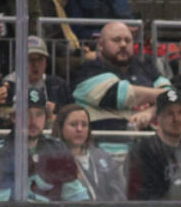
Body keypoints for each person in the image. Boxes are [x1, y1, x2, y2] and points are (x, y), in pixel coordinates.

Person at [71, 21, 170, 152]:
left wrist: (149, 112)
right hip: (104, 152)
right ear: (100, 45)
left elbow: (174, 97)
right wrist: (163, 97)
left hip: (148, 152)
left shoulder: (145, 65)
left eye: (128, 40)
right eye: (116, 40)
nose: (123, 44)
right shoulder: (88, 71)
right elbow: (121, 95)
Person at [0, 85, 89, 201]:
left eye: (39, 114)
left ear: (46, 117)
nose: (33, 121)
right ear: (13, 117)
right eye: (26, 113)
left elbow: (77, 197)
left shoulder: (58, 150)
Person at [124, 88, 181, 201]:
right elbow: (143, 196)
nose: (176, 119)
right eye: (169, 113)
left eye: (180, 112)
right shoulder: (143, 151)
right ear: (158, 117)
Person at [54, 102, 125, 201]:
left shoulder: (102, 156)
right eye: (73, 124)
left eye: (84, 125)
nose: (79, 129)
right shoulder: (53, 159)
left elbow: (119, 192)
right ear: (61, 128)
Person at [3, 36, 73, 113]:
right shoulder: (6, 86)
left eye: (40, 59)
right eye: (30, 59)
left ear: (46, 62)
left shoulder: (59, 86)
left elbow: (72, 113)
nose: (36, 64)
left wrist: (57, 109)